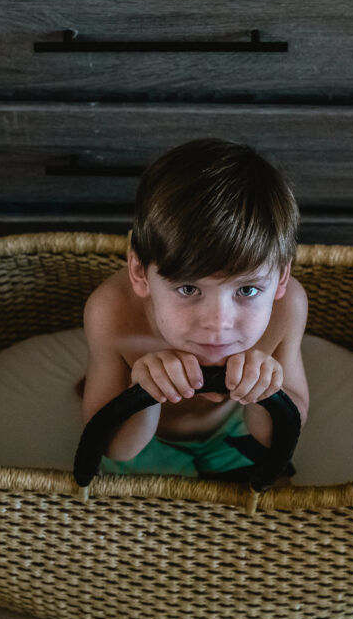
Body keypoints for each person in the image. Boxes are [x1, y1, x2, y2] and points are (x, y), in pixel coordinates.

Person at [81, 138, 309, 480]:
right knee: (128, 524)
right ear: (140, 272)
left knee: (273, 505)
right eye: (188, 288)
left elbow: (284, 433)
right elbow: (109, 444)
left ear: (281, 277)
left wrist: (266, 392)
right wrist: (145, 393)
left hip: (234, 430)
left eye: (247, 289)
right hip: (145, 440)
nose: (218, 323)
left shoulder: (288, 306)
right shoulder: (112, 311)